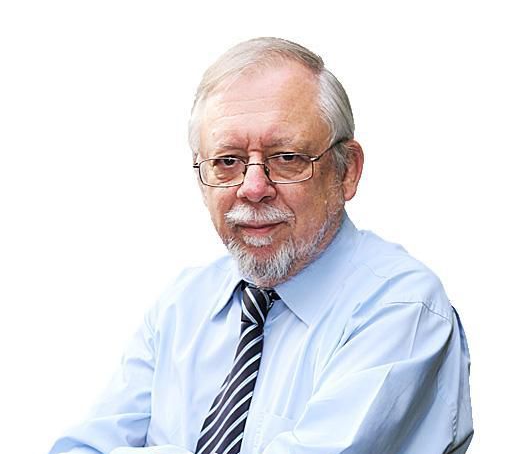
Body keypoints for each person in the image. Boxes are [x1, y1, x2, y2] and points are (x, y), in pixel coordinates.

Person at [49, 37, 473, 454]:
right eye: (227, 161)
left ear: (347, 171)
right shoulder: (182, 305)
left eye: (286, 157)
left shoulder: (402, 307)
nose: (253, 188)